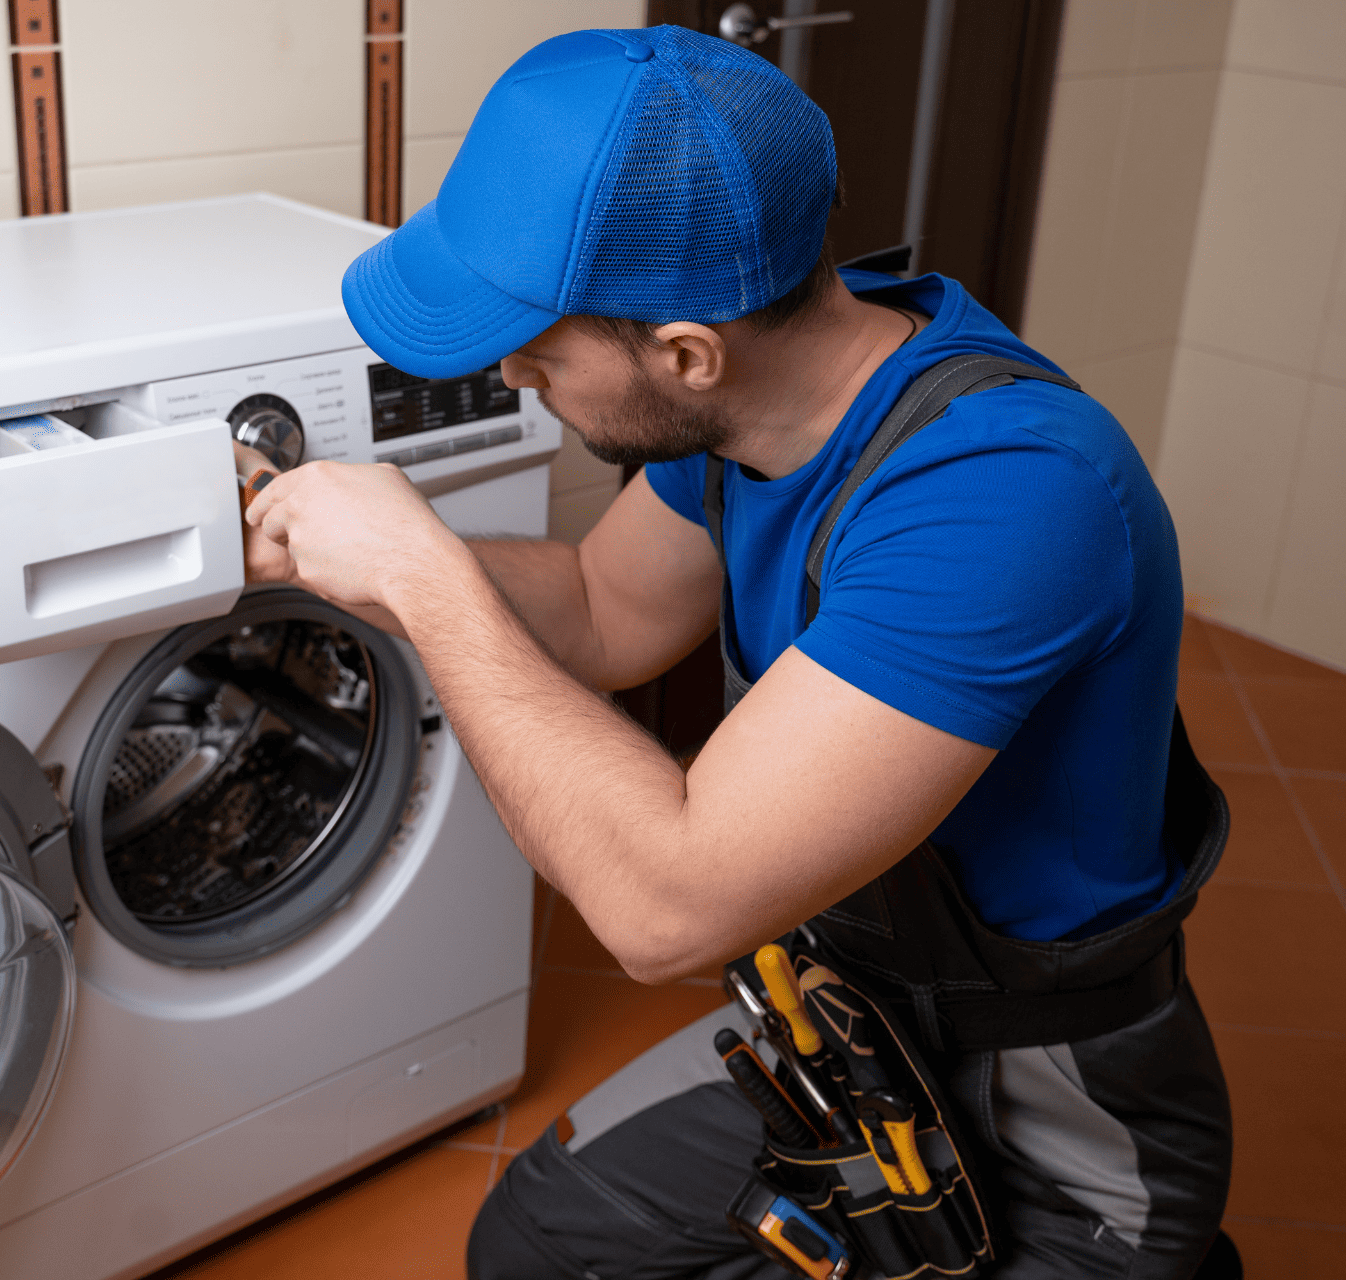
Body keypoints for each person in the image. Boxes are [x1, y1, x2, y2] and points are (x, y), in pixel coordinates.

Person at [240, 25, 1233, 1280]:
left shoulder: (1005, 493)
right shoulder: (748, 413)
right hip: (846, 1029)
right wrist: (357, 556)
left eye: (539, 348)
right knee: (536, 1241)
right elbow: (604, 609)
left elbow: (665, 905)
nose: (509, 370)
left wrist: (427, 584)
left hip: (1050, 1109)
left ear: (685, 351)